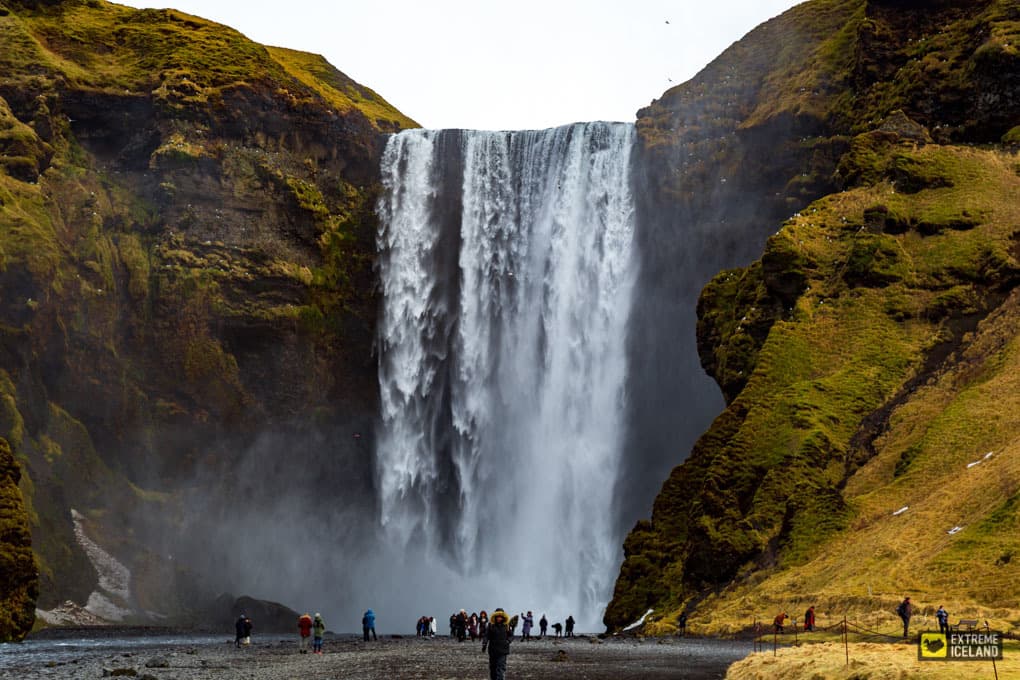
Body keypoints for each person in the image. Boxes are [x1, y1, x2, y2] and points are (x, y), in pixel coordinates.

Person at [482, 608, 513, 680]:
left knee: (500, 669)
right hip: (493, 650)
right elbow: (487, 636)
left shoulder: (507, 626)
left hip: (503, 651)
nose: (499, 618)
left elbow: (511, 636)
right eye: (498, 616)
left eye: (500, 616)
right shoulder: (490, 625)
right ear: (495, 616)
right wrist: (484, 644)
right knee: (493, 669)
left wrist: (508, 641)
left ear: (503, 617)